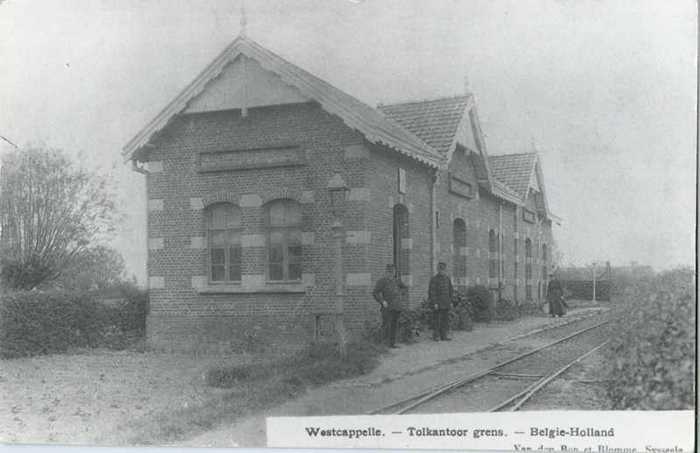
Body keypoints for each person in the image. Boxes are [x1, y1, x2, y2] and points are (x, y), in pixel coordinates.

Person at [373, 264, 406, 348]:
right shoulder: (382, 281)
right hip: (387, 307)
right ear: (386, 272)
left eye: (393, 272)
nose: (391, 274)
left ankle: (392, 344)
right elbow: (375, 292)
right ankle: (383, 344)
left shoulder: (397, 281)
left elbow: (404, 288)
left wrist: (400, 294)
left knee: (394, 325)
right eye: (389, 272)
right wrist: (382, 301)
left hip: (397, 306)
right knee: (386, 325)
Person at [428, 262, 454, 341]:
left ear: (445, 270)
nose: (442, 271)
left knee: (445, 320)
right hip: (438, 303)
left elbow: (450, 290)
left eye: (443, 269)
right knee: (437, 320)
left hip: (446, 302)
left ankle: (444, 336)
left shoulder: (447, 279)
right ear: (437, 269)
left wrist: (451, 301)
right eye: (440, 269)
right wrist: (435, 302)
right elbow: (432, 292)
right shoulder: (434, 279)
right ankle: (436, 336)